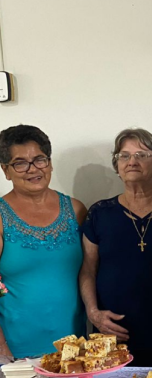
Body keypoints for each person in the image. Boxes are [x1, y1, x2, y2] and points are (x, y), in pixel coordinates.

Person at [79, 128, 152, 366]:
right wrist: (94, 313)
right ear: (117, 167)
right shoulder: (99, 213)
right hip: (111, 333)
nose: (131, 161)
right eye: (124, 156)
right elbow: (88, 269)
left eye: (141, 155)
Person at [0, 125, 87, 358]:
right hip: (16, 348)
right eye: (20, 163)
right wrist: (1, 349)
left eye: (39, 159)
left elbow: (90, 272)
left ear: (49, 163)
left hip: (74, 347)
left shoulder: (76, 210)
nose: (32, 169)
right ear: (6, 170)